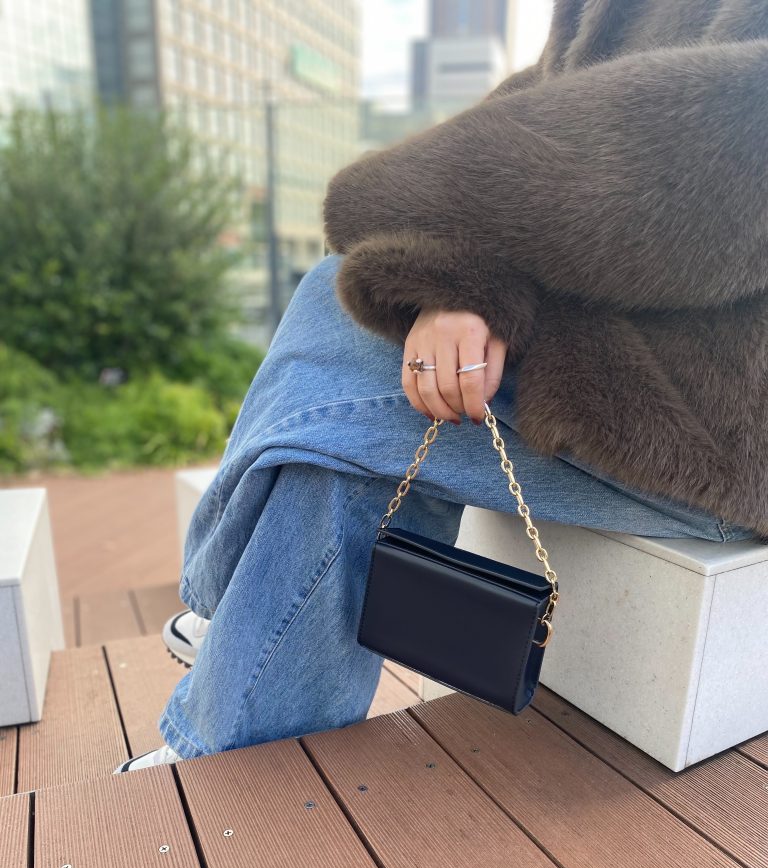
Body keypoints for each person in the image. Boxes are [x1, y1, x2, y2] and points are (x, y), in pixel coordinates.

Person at [116, 0, 768, 772]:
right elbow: (537, 116)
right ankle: (243, 679)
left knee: (362, 391)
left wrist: (433, 238)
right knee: (350, 331)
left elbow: (682, 158)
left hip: (719, 430)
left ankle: (226, 718)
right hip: (628, 359)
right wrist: (455, 281)